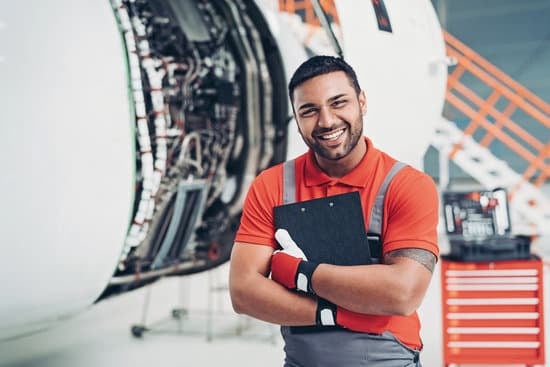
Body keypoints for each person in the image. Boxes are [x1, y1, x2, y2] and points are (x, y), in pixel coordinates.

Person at [229, 55, 439, 367]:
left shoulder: (407, 185)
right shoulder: (272, 185)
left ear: (362, 102)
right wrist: (335, 313)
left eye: (338, 102)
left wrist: (300, 273)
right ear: (297, 119)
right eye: (309, 110)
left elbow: (403, 293)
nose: (326, 121)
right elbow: (243, 292)